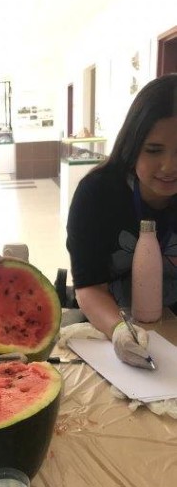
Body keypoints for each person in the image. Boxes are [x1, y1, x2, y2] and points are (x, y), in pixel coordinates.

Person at [66, 73, 177, 369]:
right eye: (154, 150)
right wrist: (118, 330)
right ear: (133, 145)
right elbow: (89, 286)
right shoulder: (96, 194)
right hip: (107, 330)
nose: (170, 166)